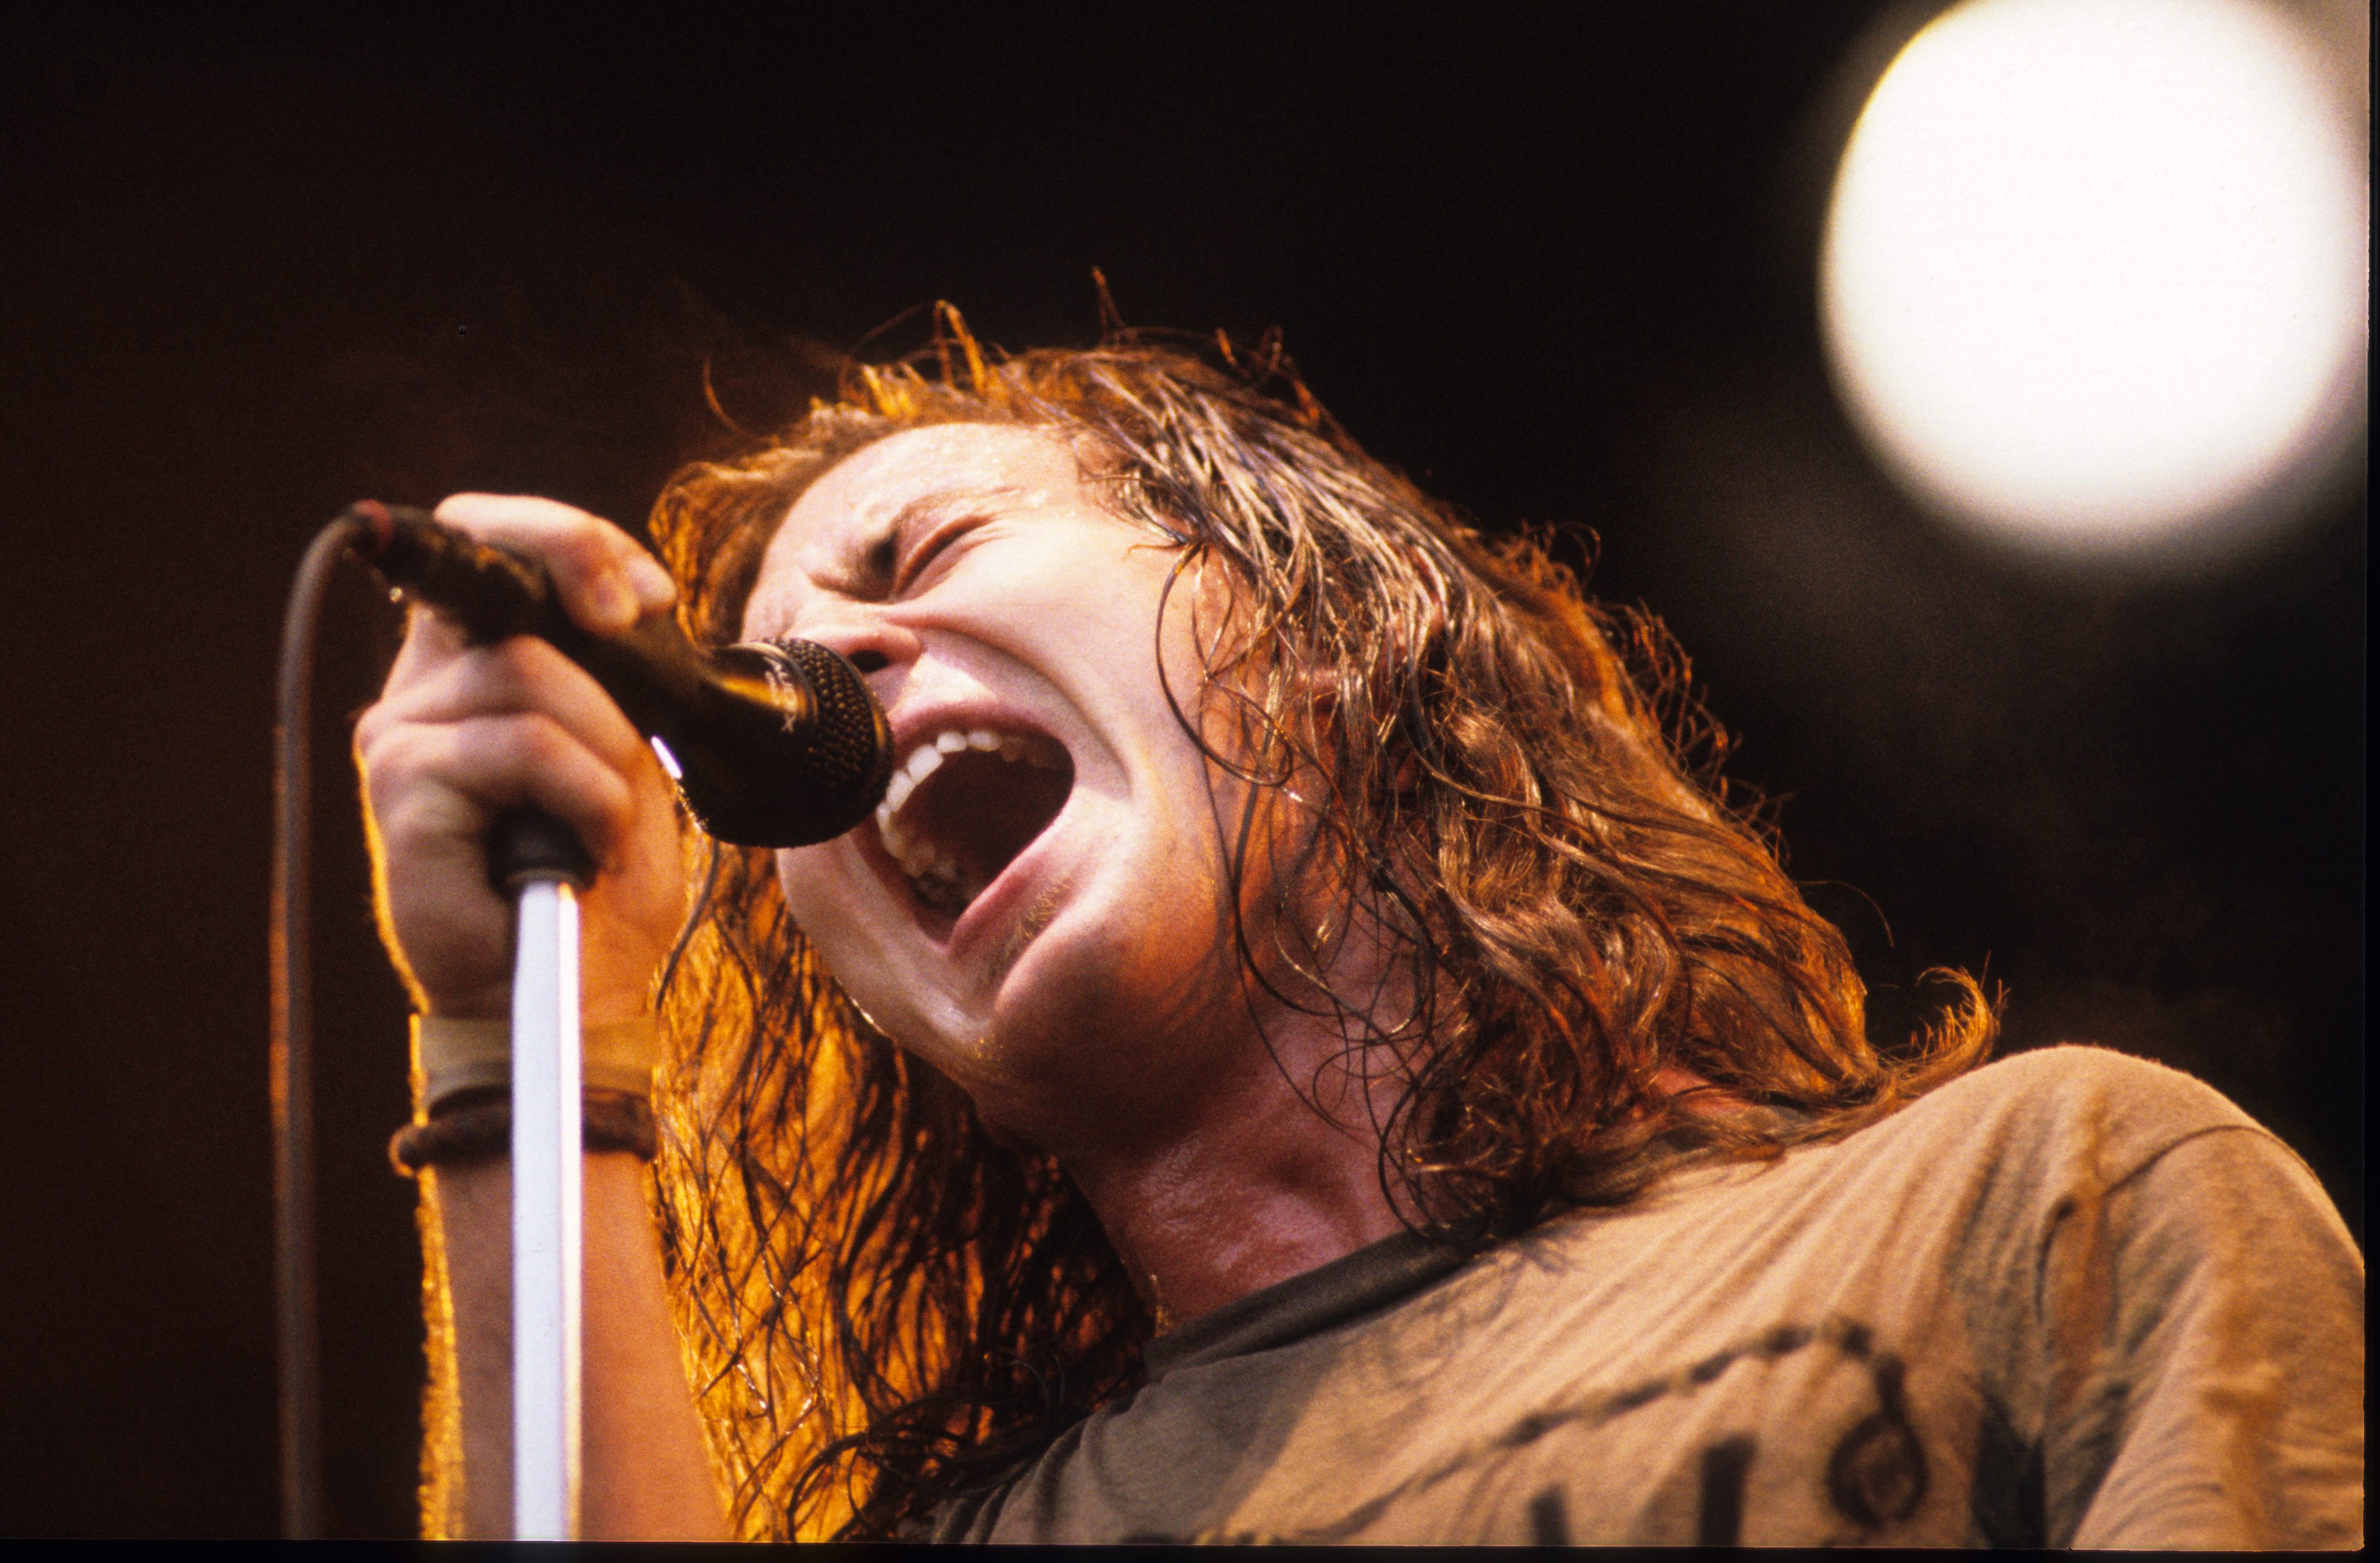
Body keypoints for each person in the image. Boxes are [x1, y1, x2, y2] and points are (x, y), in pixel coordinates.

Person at [357, 321, 2364, 1544]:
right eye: (777, 696)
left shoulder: (2032, 1203)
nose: (841, 674)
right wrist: (525, 1024)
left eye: (927, 550)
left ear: (1316, 624)